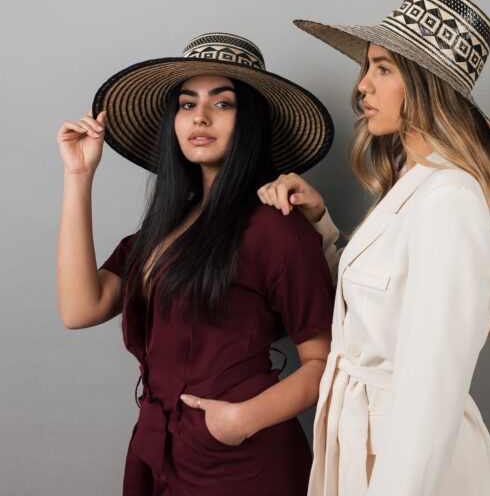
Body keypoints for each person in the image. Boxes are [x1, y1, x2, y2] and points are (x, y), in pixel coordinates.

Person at [258, 0, 490, 495]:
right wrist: (323, 225)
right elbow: (375, 311)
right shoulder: (414, 184)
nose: (362, 86)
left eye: (383, 69)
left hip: (404, 461)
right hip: (364, 447)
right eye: (367, 69)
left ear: (426, 86)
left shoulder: (448, 200)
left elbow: (430, 395)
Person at [56, 32, 336, 495]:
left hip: (244, 461)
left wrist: (242, 419)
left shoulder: (278, 229)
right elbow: (80, 309)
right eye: (187, 104)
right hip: (158, 449)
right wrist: (78, 176)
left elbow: (323, 363)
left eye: (223, 104)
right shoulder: (162, 231)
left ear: (250, 122)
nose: (200, 117)